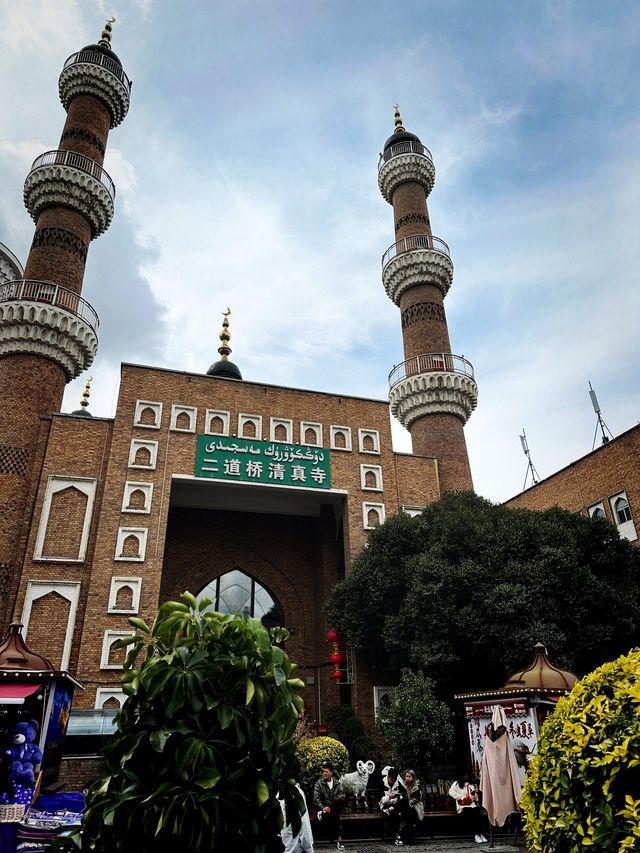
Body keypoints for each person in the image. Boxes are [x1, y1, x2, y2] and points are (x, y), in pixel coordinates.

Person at [448, 770, 488, 843]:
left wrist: (473, 794)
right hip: (463, 807)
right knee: (472, 814)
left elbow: (472, 798)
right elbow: (451, 792)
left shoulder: (470, 785)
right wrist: (461, 797)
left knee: (479, 814)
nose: (466, 777)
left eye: (467, 775)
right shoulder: (456, 784)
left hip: (471, 805)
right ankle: (476, 835)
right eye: (464, 775)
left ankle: (480, 834)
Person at [313, 763, 346, 850]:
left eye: (326, 772)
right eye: (323, 772)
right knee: (335, 816)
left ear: (331, 773)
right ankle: (339, 839)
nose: (324, 774)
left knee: (340, 802)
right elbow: (316, 799)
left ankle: (323, 814)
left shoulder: (337, 783)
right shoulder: (319, 783)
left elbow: (342, 795)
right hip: (325, 807)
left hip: (332, 808)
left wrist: (332, 805)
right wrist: (323, 807)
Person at [279, 783, 314, 853]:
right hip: (293, 847)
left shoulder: (272, 791)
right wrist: (309, 849)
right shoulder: (296, 792)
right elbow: (304, 825)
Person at [379, 766, 408, 846]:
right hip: (385, 805)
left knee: (404, 802)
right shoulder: (382, 783)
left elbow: (404, 796)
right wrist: (389, 797)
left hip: (395, 805)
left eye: (394, 780)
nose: (392, 782)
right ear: (388, 777)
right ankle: (398, 837)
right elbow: (380, 801)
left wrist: (397, 796)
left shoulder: (398, 783)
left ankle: (398, 837)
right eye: (391, 780)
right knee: (395, 815)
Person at [399, 769, 424, 843]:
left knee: (407, 815)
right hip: (406, 808)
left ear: (413, 777)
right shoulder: (403, 786)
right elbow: (401, 796)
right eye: (406, 776)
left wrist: (407, 804)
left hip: (415, 808)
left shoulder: (417, 787)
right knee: (407, 817)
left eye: (409, 776)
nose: (407, 778)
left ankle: (403, 836)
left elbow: (415, 799)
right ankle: (408, 837)